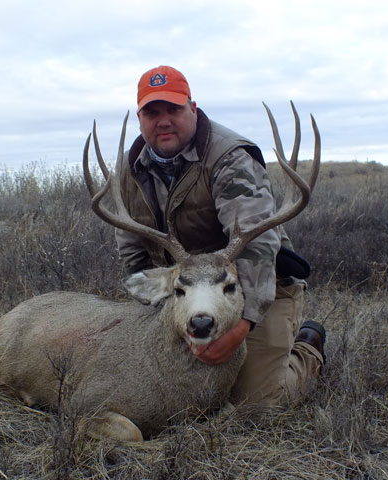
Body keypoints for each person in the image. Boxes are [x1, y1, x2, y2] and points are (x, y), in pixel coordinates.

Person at [115, 65, 326, 406]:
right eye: (152, 112)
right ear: (140, 119)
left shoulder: (230, 160)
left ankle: (308, 348)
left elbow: (259, 249)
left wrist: (242, 327)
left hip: (249, 290)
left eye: (174, 109)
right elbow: (132, 253)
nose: (163, 121)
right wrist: (155, 313)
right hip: (182, 294)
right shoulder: (129, 171)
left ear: (193, 109)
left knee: (257, 403)